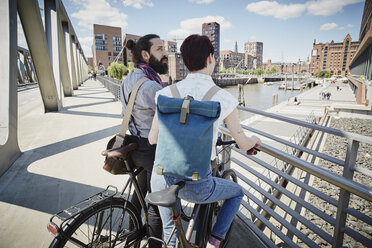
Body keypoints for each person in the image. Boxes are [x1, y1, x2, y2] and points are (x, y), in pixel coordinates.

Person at [148, 34, 261, 248]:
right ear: (210, 59)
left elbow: (153, 139)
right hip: (196, 184)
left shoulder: (165, 93)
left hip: (162, 178)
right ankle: (214, 242)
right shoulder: (223, 97)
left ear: (184, 61)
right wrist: (255, 139)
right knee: (237, 192)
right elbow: (244, 143)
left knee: (170, 232)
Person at [120, 34, 168, 247]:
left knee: (139, 195)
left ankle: (133, 236)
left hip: (133, 145)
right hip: (151, 149)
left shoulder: (128, 79)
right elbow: (170, 119)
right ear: (146, 54)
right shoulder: (151, 86)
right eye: (159, 49)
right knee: (155, 204)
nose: (165, 53)